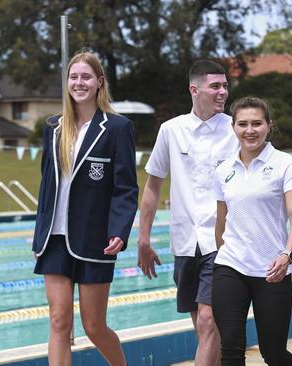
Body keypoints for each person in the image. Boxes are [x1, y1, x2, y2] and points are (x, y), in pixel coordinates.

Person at [31, 51, 138, 366]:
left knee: (94, 327)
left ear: (99, 82)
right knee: (59, 321)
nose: (79, 82)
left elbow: (126, 188)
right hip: (54, 238)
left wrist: (119, 230)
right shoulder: (53, 127)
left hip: (94, 239)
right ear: (67, 82)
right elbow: (47, 183)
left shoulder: (117, 128)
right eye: (73, 77)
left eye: (86, 77)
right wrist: (39, 230)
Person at [137, 60, 238, 365]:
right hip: (184, 242)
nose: (223, 92)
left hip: (222, 242)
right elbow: (153, 186)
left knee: (208, 321)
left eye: (225, 86)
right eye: (215, 86)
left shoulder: (236, 129)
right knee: (204, 327)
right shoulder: (171, 130)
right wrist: (143, 239)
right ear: (195, 90)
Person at [211, 96, 292, 366]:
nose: (249, 130)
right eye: (242, 124)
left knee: (273, 352)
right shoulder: (224, 170)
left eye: (256, 123)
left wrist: (287, 255)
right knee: (229, 347)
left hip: (272, 271)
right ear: (233, 127)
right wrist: (224, 256)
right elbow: (222, 221)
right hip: (230, 267)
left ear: (268, 125)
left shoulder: (285, 164)